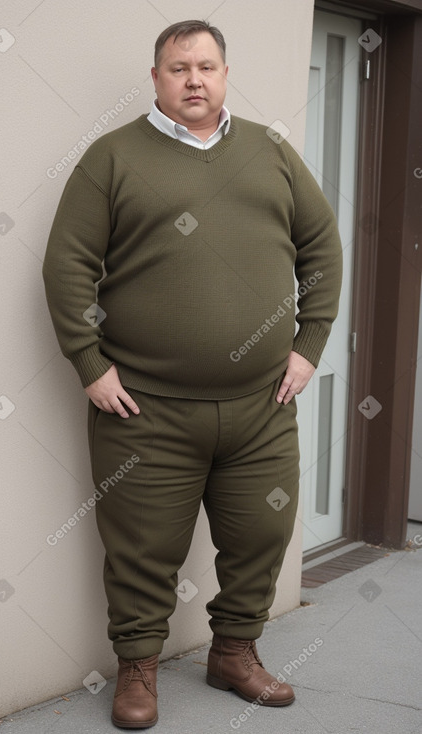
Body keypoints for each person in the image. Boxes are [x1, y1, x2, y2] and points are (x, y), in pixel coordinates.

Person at [43, 19, 342, 730]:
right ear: (155, 79)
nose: (194, 80)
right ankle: (138, 671)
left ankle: (235, 653)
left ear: (225, 74)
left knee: (258, 539)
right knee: (141, 551)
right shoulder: (111, 159)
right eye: (178, 68)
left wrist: (309, 344)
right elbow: (66, 266)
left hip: (261, 404)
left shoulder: (269, 152)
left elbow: (320, 246)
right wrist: (88, 363)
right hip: (144, 411)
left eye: (206, 66)